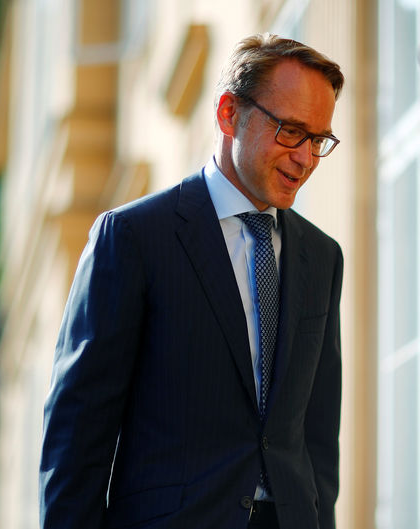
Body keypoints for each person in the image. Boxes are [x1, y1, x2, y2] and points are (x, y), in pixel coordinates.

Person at [39, 33, 344, 529]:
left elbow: (317, 437)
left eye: (318, 140)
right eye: (290, 131)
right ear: (229, 114)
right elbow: (79, 430)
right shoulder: (134, 237)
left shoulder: (322, 256)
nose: (305, 159)